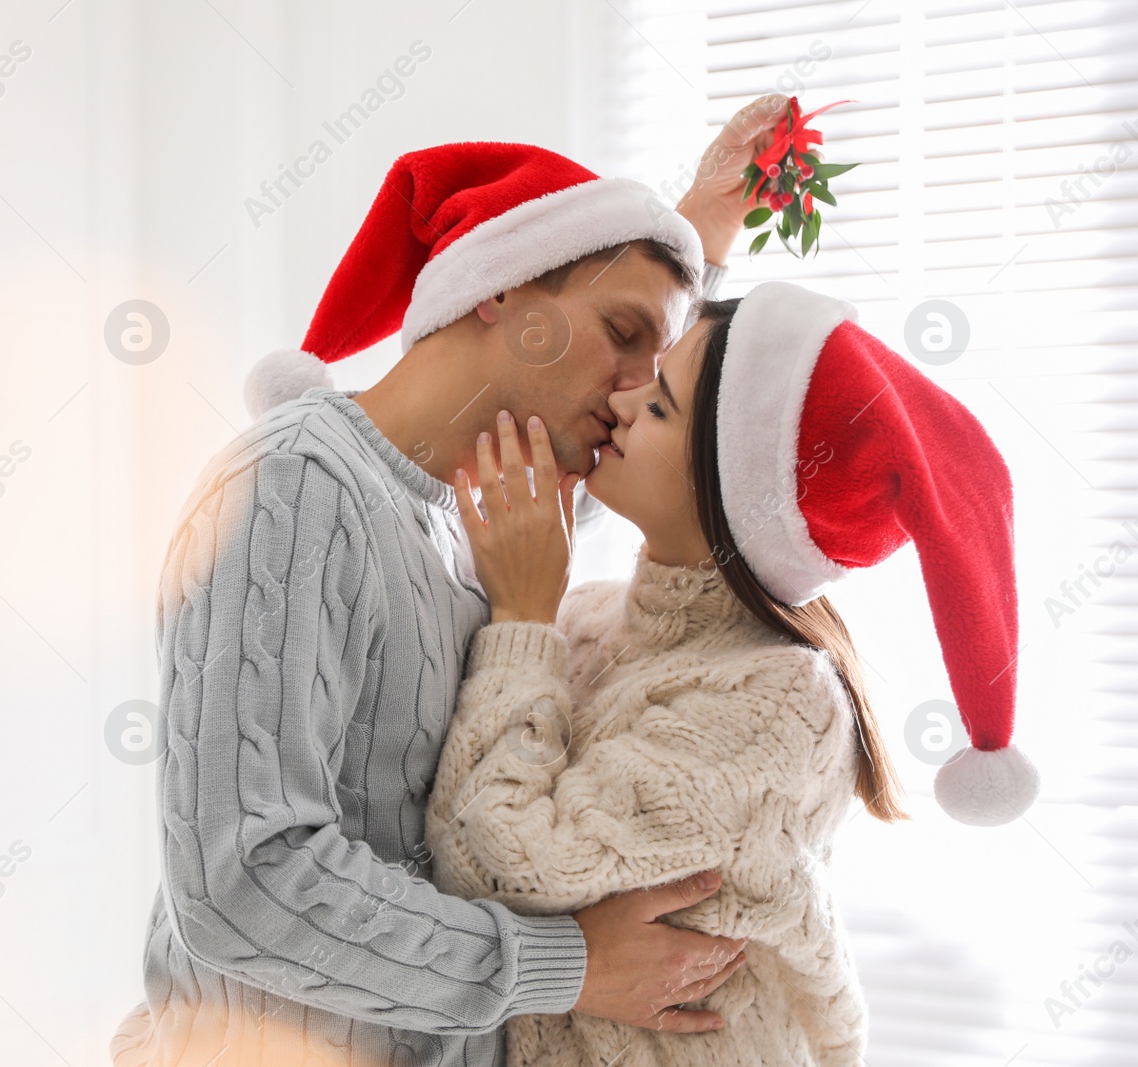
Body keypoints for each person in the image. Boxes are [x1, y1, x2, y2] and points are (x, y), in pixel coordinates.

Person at [110, 98, 797, 1067]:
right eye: (621, 329)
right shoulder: (293, 486)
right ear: (500, 292)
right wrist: (570, 964)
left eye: (659, 357)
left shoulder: (474, 506)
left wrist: (698, 229)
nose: (642, 384)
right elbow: (244, 883)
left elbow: (653, 470)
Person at [425, 281, 1039, 1066]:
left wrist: (519, 616)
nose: (623, 393)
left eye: (659, 406)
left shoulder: (780, 701)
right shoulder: (584, 621)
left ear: (730, 488)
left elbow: (491, 860)